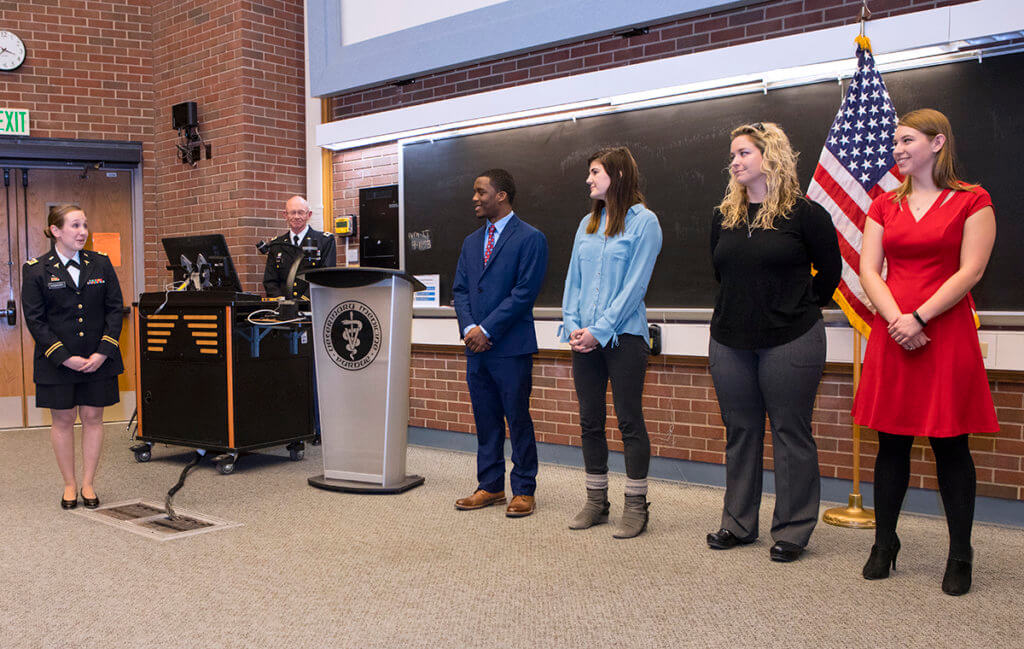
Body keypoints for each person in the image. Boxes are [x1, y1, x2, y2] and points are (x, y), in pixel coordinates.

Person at [853, 109, 997, 596]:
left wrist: (919, 318)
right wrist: (898, 319)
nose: (896, 148)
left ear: (937, 143)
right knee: (890, 441)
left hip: (944, 332)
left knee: (950, 444)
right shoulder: (882, 205)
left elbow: (970, 271)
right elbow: (869, 270)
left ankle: (961, 553)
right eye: (895, 140)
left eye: (906, 139)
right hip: (894, 331)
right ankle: (884, 542)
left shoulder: (972, 200)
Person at [705, 122, 841, 561]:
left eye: (743, 153)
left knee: (789, 433)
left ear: (771, 156)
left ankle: (793, 529)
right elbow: (720, 272)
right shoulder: (723, 215)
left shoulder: (806, 215)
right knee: (740, 432)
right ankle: (739, 524)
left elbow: (831, 274)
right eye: (732, 155)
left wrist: (797, 307)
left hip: (791, 339)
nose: (735, 161)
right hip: (730, 341)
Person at [561, 146, 662, 539]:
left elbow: (635, 287)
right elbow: (573, 282)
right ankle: (595, 502)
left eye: (595, 172)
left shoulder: (644, 223)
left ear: (617, 175)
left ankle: (636, 506)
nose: (588, 179)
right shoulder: (587, 224)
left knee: (629, 420)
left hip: (625, 338)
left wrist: (599, 330)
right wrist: (573, 326)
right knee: (589, 421)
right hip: (583, 340)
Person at [452, 169, 548, 518]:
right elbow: (460, 290)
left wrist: (486, 330)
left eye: (481, 192)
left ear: (502, 195)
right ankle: (490, 485)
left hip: (510, 347)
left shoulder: (531, 238)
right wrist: (469, 328)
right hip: (475, 348)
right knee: (486, 419)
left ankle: (524, 489)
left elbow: (524, 294)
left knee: (517, 418)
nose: (475, 198)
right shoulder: (470, 242)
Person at [22, 205, 125, 510]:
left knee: (94, 418)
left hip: (97, 359)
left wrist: (103, 352)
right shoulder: (37, 269)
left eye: (85, 225)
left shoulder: (101, 264)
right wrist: (64, 357)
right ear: (55, 230)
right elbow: (35, 320)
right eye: (75, 225)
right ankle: (69, 484)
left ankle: (88, 483)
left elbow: (114, 310)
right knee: (63, 419)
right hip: (57, 361)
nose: (83, 232)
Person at [263, 195, 337, 299]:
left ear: (309, 215)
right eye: (293, 212)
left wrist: (304, 300)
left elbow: (326, 276)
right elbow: (270, 279)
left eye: (301, 212)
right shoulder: (277, 245)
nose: (296, 217)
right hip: (284, 307)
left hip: (313, 304)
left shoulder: (324, 241)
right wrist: (279, 299)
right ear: (285, 215)